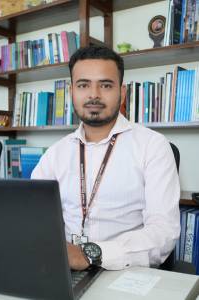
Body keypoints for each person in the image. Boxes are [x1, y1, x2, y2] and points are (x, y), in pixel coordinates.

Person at [31, 45, 180, 271]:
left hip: (127, 272)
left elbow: (164, 233)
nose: (94, 95)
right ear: (72, 91)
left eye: (106, 85)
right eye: (83, 85)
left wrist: (90, 254)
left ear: (122, 92)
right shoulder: (55, 154)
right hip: (64, 270)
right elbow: (33, 218)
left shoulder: (153, 146)